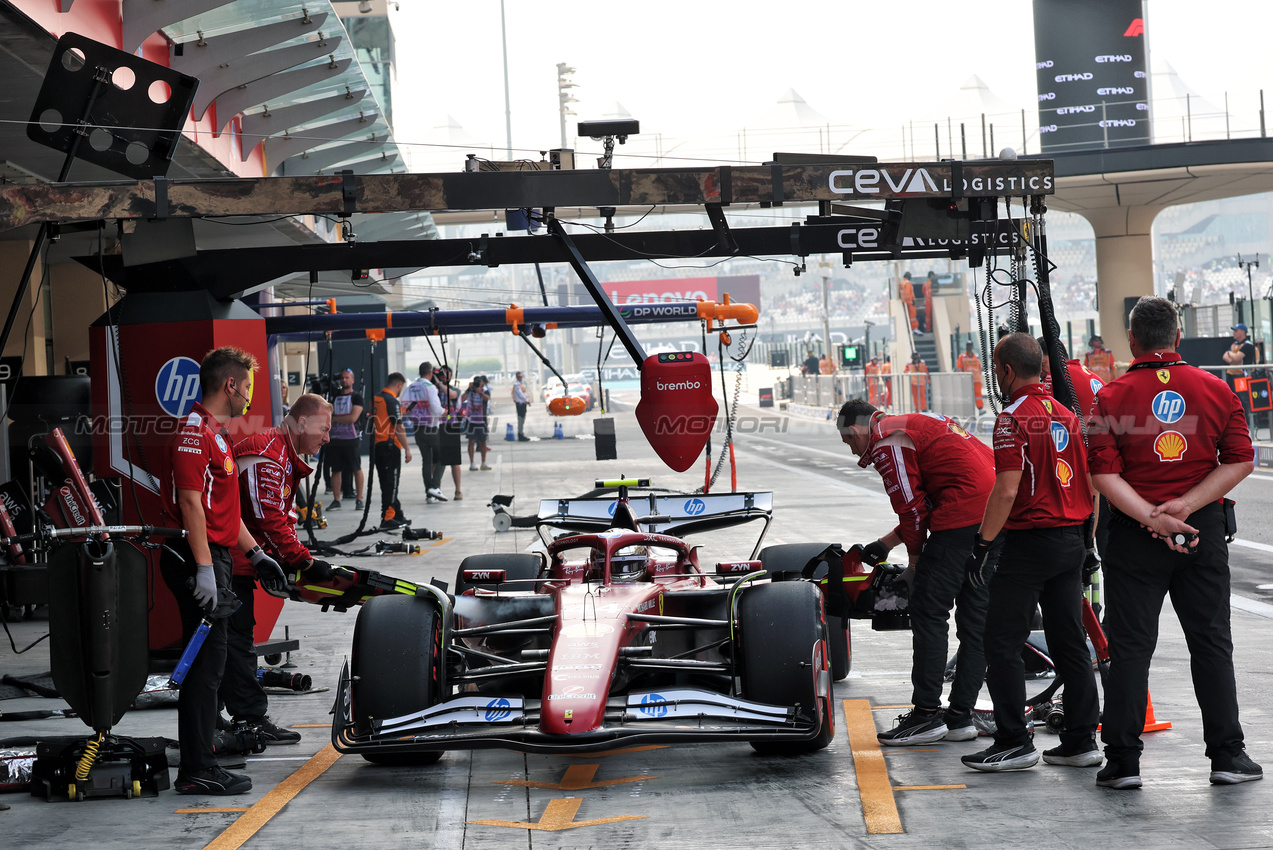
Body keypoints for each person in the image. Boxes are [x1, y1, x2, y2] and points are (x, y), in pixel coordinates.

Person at [1088, 296, 1260, 789]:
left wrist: (1151, 516)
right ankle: (1227, 756)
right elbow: (1240, 460)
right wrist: (1185, 506)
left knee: (1129, 647)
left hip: (1133, 536)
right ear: (1179, 337)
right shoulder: (1215, 387)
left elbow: (1103, 472)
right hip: (1201, 533)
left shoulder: (1110, 397)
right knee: (1210, 643)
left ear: (1132, 341)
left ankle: (1122, 762)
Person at [960, 333, 1100, 773]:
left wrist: (981, 546)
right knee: (1069, 642)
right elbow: (1091, 485)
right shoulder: (1066, 414)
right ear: (1042, 367)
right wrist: (1089, 541)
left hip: (1029, 544)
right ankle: (1081, 741)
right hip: (1071, 541)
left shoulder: (1011, 418)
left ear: (1004, 371)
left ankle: (1013, 741)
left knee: (999, 642)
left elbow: (1005, 490)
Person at [160, 346, 287, 796]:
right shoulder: (194, 431)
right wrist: (203, 570)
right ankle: (196, 768)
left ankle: (202, 761)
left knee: (211, 665)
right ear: (229, 385)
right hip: (197, 558)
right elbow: (191, 503)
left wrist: (256, 554)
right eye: (248, 387)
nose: (250, 397)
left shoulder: (217, 434)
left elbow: (223, 513)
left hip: (216, 557)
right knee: (204, 669)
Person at [837, 398, 995, 746]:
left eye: (849, 442)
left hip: (961, 519)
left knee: (928, 611)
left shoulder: (885, 441)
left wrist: (914, 565)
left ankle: (926, 715)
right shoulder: (914, 421)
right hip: (994, 517)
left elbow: (912, 510)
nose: (852, 451)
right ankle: (960, 718)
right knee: (976, 621)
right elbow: (935, 489)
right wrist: (887, 542)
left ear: (856, 429)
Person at [221, 393, 332, 746]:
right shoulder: (268, 453)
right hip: (226, 560)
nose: (327, 437)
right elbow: (267, 519)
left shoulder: (283, 453)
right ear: (301, 423)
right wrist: (304, 562)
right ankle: (247, 721)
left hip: (239, 559)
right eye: (324, 429)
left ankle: (228, 720)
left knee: (233, 641)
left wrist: (296, 560)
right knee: (234, 643)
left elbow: (280, 518)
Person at [400, 362, 448, 503]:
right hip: (431, 428)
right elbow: (436, 409)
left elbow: (404, 405)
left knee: (426, 460)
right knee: (443, 458)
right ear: (431, 372)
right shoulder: (430, 387)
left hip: (417, 429)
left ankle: (430, 494)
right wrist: (448, 413)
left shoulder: (411, 387)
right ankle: (434, 487)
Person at [372, 372, 412, 528]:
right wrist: (407, 449)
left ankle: (397, 514)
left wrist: (399, 411)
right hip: (390, 447)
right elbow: (399, 427)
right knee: (392, 484)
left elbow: (382, 419)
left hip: (378, 446)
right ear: (399, 385)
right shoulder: (392, 401)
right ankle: (387, 518)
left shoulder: (377, 399)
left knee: (386, 483)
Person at [327, 369, 364, 512]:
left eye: (347, 377)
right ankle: (336, 500)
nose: (344, 380)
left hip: (351, 438)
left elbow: (352, 418)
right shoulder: (334, 396)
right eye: (342, 378)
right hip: (335, 438)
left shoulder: (357, 397)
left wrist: (335, 418)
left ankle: (359, 499)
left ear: (352, 380)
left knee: (356, 468)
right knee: (335, 470)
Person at [1223, 323, 1258, 436]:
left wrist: (1231, 355)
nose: (1234, 333)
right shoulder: (1234, 344)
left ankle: (1247, 423)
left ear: (1242, 332)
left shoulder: (1248, 345)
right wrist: (1232, 355)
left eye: (1236, 330)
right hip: (1232, 376)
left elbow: (1237, 358)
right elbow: (1225, 357)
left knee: (1243, 399)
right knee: (1233, 399)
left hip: (1242, 377)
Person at [435, 365, 465, 500]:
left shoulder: (454, 390)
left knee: (454, 461)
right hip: (437, 426)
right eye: (442, 374)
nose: (445, 376)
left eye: (448, 374)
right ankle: (436, 489)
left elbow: (451, 395)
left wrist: (439, 384)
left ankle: (458, 490)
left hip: (451, 426)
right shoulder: (434, 390)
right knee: (436, 461)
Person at [462, 375, 492, 472]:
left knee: (483, 442)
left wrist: (480, 392)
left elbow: (487, 398)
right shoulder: (470, 391)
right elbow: (462, 399)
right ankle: (472, 463)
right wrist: (468, 389)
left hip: (482, 420)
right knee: (471, 441)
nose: (477, 385)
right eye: (476, 384)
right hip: (471, 420)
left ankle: (484, 462)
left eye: (479, 384)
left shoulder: (485, 391)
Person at [956, 342, 984, 411]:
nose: (969, 347)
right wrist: (962, 378)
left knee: (978, 394)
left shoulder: (976, 356)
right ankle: (967, 410)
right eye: (968, 345)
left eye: (970, 345)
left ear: (972, 346)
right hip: (967, 380)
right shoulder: (962, 357)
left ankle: (980, 408)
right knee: (967, 395)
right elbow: (959, 368)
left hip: (976, 380)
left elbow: (979, 368)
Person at [511, 371, 531, 441]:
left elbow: (524, 393)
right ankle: (520, 434)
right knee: (520, 419)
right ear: (517, 377)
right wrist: (526, 400)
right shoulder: (516, 385)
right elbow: (520, 394)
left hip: (523, 403)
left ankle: (521, 433)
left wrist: (528, 399)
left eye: (521, 377)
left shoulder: (521, 385)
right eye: (519, 377)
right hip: (520, 404)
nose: (520, 378)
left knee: (523, 419)